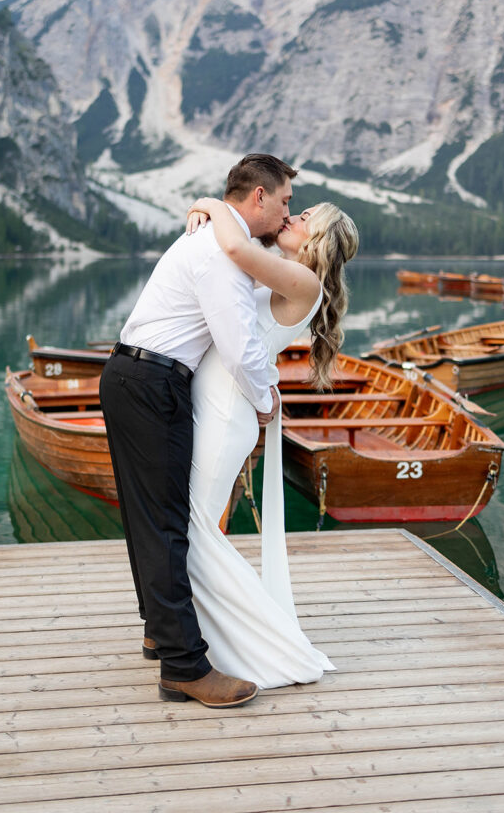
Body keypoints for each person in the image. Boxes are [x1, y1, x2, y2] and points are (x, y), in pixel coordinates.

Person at [98, 154, 297, 708]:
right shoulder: (222, 252)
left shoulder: (220, 240)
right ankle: (184, 667)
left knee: (149, 518)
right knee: (165, 523)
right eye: (283, 201)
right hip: (151, 382)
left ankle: (159, 631)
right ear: (258, 197)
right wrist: (264, 399)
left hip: (132, 374)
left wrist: (208, 205)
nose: (287, 213)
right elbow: (239, 345)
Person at [181, 196, 359, 688]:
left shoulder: (303, 281)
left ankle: (258, 642)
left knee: (197, 532)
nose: (292, 217)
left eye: (304, 218)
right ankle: (192, 633)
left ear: (317, 240)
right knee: (194, 529)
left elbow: (236, 249)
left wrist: (210, 203)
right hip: (217, 406)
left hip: (224, 417)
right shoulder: (287, 274)